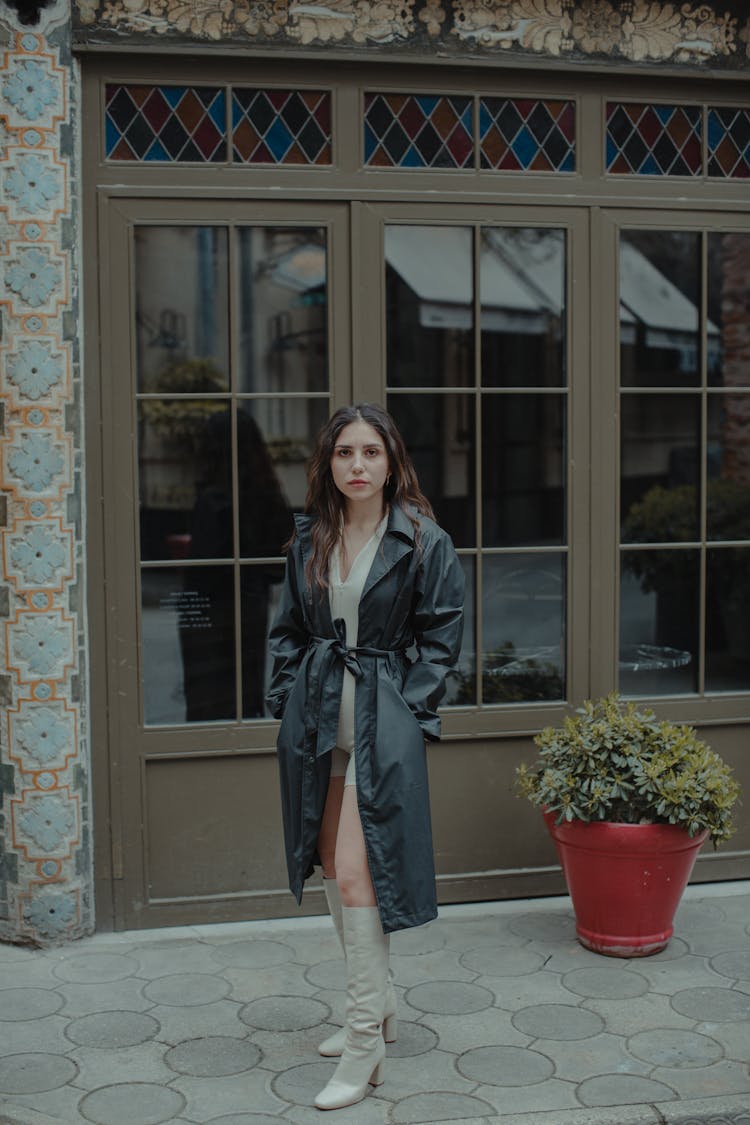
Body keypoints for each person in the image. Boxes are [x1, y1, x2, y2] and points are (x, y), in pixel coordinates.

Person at [266, 402, 465, 1110]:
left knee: (358, 872)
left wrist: (405, 710)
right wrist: (287, 699)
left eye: (370, 453)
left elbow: (442, 641)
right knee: (327, 860)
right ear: (329, 464)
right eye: (345, 453)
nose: (357, 465)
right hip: (320, 721)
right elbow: (286, 630)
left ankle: (362, 1042)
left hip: (380, 723)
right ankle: (376, 1004)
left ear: (391, 462)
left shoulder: (423, 541)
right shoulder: (311, 539)